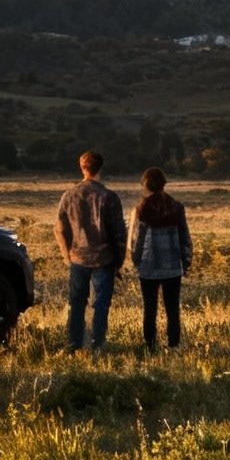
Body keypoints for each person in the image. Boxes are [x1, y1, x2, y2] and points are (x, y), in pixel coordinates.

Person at [55, 150, 126, 352]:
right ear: (100, 168)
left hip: (77, 257)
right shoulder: (109, 197)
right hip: (103, 258)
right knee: (101, 305)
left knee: (76, 304)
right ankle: (97, 344)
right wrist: (119, 261)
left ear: (82, 167)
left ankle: (74, 343)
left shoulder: (68, 195)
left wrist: (66, 254)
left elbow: (60, 228)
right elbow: (118, 233)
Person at [131, 167, 193, 352]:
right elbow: (185, 236)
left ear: (146, 185)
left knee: (150, 309)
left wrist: (136, 260)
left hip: (149, 266)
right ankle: (173, 346)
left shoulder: (141, 208)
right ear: (164, 184)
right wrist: (186, 260)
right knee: (172, 309)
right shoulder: (176, 206)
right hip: (173, 265)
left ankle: (150, 347)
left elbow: (136, 239)